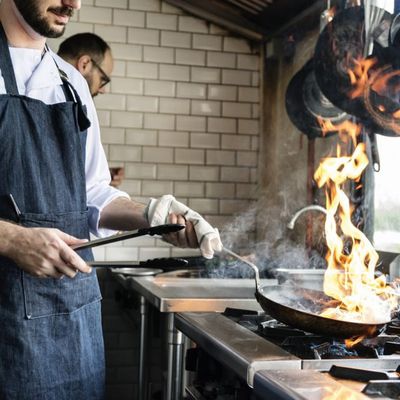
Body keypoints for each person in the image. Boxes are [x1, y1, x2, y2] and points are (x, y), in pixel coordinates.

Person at [0, 1, 222, 399]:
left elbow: (94, 192)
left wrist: (152, 214)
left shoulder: (71, 81)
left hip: (73, 322)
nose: (74, 3)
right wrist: (12, 240)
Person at [57, 32, 123, 186]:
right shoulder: (63, 103)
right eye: (103, 79)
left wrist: (96, 177)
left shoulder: (76, 104)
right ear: (85, 64)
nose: (102, 90)